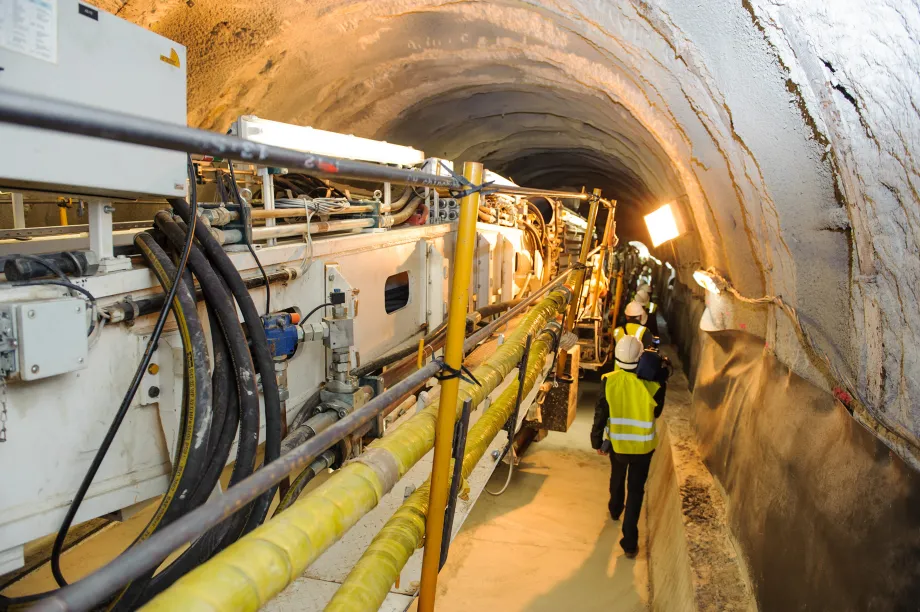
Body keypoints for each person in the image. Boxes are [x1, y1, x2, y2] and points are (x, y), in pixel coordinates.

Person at [591, 336, 665, 558]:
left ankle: (615, 509)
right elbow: (657, 412)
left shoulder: (609, 381)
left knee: (617, 476)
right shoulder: (653, 384)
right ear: (641, 357)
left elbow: (601, 413)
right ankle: (630, 543)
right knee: (635, 490)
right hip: (643, 449)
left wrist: (597, 441)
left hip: (619, 445)